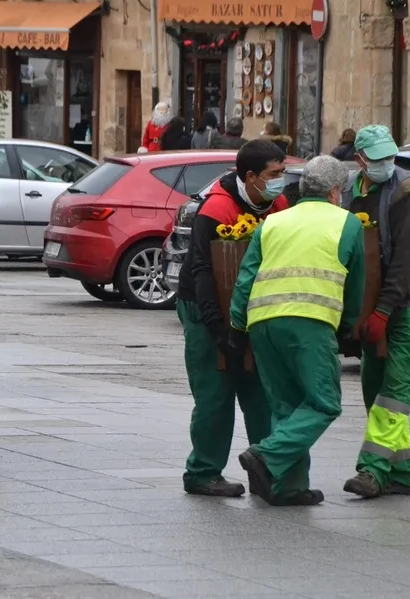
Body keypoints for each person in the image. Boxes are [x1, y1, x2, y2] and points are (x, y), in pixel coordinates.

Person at [232, 156, 366, 506]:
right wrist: (349, 326)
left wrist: (237, 324)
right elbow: (355, 284)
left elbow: (246, 277)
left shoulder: (273, 222)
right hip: (310, 320)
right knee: (324, 403)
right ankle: (266, 455)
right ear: (335, 192)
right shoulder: (347, 224)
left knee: (286, 406)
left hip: (262, 322)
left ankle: (287, 487)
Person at [176, 139, 289, 497]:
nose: (281, 181)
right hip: (205, 311)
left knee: (262, 395)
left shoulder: (278, 205)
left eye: (283, 173)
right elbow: (201, 272)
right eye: (275, 174)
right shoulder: (216, 210)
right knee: (215, 395)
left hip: (255, 312)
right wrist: (219, 331)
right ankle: (202, 472)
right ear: (251, 176)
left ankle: (266, 468)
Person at [341, 124, 410, 498]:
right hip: (374, 301)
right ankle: (401, 473)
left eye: (390, 156)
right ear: (360, 160)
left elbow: (408, 261)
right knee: (375, 386)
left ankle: (372, 471)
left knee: (396, 388)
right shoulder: (350, 194)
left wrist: (384, 312)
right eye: (378, 158)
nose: (387, 163)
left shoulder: (408, 193)